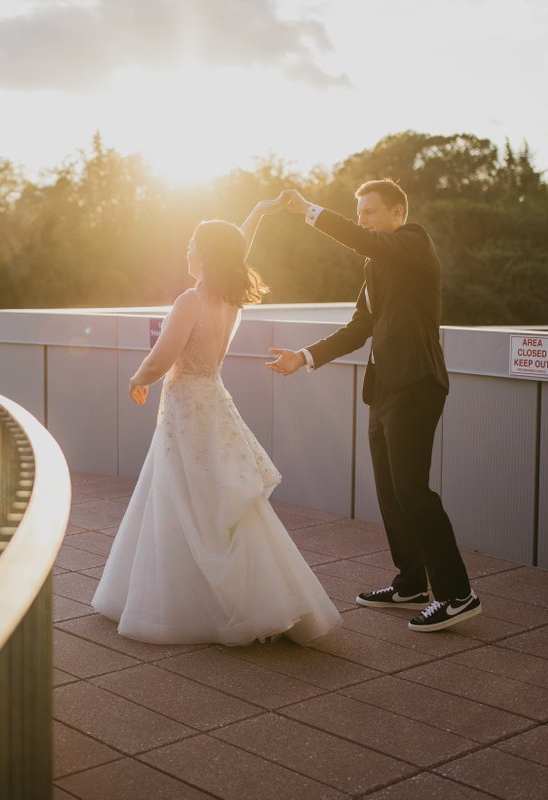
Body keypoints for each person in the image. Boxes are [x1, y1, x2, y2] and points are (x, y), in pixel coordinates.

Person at [91, 201, 340, 646]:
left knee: (183, 498)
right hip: (215, 403)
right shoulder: (228, 297)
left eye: (191, 244)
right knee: (222, 501)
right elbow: (235, 245)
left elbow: (163, 357)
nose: (186, 250)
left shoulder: (191, 300)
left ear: (203, 253)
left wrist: (136, 377)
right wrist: (260, 210)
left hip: (187, 408)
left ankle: (190, 606)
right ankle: (260, 599)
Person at [265, 180, 481, 632]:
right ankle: (411, 584)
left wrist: (309, 210)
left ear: (398, 214)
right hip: (384, 388)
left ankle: (458, 594)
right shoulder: (375, 266)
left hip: (417, 384)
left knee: (413, 490)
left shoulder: (413, 243)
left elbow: (362, 240)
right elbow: (358, 328)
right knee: (390, 490)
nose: (363, 219)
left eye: (371, 212)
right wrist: (304, 356)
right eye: (359, 212)